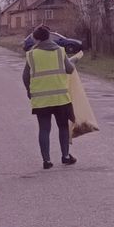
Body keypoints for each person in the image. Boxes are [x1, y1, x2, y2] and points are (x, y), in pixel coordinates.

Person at [24, 24, 78, 169]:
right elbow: (70, 69)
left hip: (41, 100)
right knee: (63, 127)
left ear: (36, 39)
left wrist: (30, 93)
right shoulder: (60, 52)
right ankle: (66, 157)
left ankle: (46, 161)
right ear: (49, 36)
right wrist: (72, 60)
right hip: (61, 99)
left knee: (44, 129)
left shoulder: (31, 55)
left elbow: (25, 77)